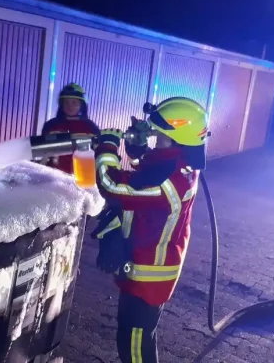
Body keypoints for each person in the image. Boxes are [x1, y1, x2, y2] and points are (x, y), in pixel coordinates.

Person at [91, 97, 209, 363]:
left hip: (147, 281)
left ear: (177, 137)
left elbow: (112, 186)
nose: (155, 140)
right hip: (149, 274)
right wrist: (138, 152)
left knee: (133, 349)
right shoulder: (182, 165)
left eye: (160, 138)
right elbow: (150, 174)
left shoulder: (170, 182)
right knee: (140, 341)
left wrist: (107, 147)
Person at [41, 83, 100, 174]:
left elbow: (97, 155)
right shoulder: (51, 126)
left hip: (80, 180)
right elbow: (42, 153)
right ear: (62, 104)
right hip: (52, 178)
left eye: (74, 102)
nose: (70, 106)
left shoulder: (91, 128)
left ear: (82, 104)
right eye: (66, 102)